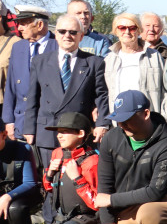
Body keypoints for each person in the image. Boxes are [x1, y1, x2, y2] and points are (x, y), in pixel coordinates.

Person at [94, 90, 167, 224]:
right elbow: (104, 184)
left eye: (128, 119)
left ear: (146, 114)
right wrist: (108, 222)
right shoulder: (111, 137)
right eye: (118, 120)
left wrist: (110, 200)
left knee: (149, 214)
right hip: (123, 209)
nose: (122, 125)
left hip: (156, 202)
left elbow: (155, 191)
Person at [24, 14, 110, 151]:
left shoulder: (94, 63)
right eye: (62, 31)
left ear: (81, 36)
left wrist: (102, 124)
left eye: (73, 32)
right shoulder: (39, 61)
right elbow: (32, 98)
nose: (67, 35)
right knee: (49, 172)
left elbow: (102, 96)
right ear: (56, 34)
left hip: (79, 133)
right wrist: (29, 128)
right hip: (48, 132)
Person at [35, 112, 100, 224]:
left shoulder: (92, 161)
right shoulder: (57, 153)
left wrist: (77, 178)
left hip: (86, 216)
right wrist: (50, 173)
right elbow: (49, 188)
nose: (59, 136)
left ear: (81, 134)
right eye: (58, 133)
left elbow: (97, 203)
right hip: (62, 215)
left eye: (65, 132)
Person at [103, 12, 167, 120]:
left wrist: (165, 119)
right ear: (116, 31)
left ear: (139, 30)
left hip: (148, 120)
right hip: (119, 120)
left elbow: (165, 93)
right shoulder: (109, 60)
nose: (127, 32)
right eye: (122, 28)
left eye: (132, 28)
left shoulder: (154, 57)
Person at [4, 5, 54, 140]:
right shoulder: (18, 47)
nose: (19, 28)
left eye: (23, 24)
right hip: (21, 123)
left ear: (40, 24)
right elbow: (11, 87)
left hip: (49, 127)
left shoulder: (58, 46)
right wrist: (9, 121)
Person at [0, 125, 41, 224]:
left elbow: (30, 183)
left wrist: (8, 196)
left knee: (14, 207)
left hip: (20, 198)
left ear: (4, 135)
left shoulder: (22, 149)